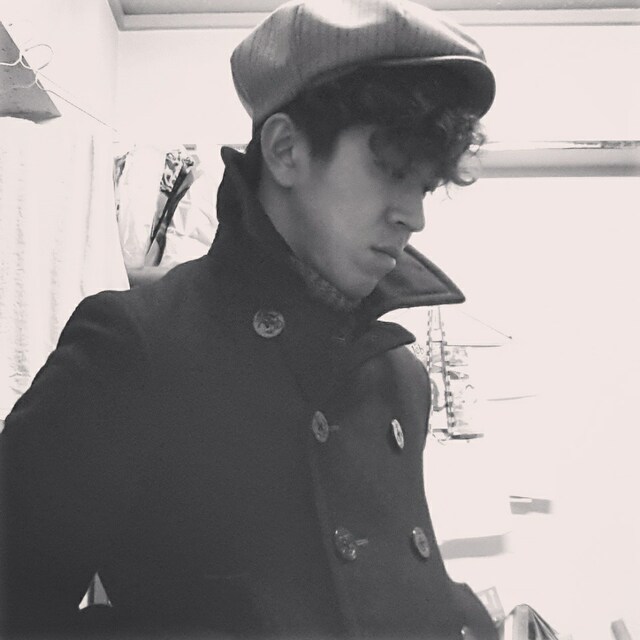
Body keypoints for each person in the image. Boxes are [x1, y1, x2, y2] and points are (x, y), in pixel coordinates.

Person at [0, 0, 498, 638]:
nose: (414, 216)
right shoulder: (137, 346)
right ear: (286, 150)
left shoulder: (401, 378)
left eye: (424, 185)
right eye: (392, 169)